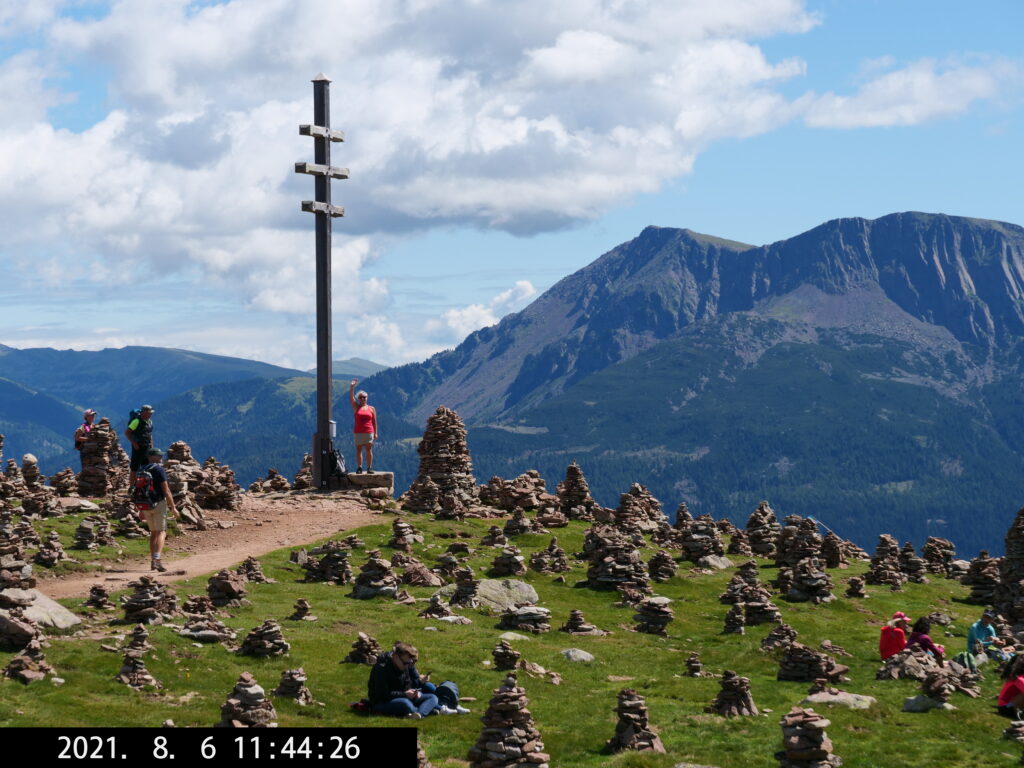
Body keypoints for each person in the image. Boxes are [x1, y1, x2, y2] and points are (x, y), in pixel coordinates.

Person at [367, 642, 469, 718]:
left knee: (432, 697)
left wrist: (414, 692)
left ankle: (419, 714)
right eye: (405, 663)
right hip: (382, 702)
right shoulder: (381, 669)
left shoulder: (404, 665)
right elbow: (382, 695)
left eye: (409, 663)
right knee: (405, 704)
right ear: (395, 657)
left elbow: (408, 684)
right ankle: (428, 710)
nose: (407, 666)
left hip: (403, 696)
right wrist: (405, 694)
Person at [136, 447, 178, 572]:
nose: (161, 457)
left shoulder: (142, 469)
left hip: (145, 505)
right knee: (161, 532)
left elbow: (139, 490)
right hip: (158, 504)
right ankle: (157, 561)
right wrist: (173, 507)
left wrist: (140, 509)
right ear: (151, 456)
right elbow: (166, 490)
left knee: (153, 533)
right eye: (158, 455)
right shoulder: (158, 469)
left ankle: (153, 561)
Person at [349, 380, 378, 474]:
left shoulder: (372, 408)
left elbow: (374, 421)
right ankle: (359, 467)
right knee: (359, 450)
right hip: (358, 432)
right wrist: (352, 387)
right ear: (358, 399)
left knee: (369, 450)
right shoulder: (356, 407)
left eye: (364, 397)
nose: (363, 399)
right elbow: (351, 398)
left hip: (369, 431)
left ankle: (369, 467)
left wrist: (376, 433)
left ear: (367, 398)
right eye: (361, 397)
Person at [125, 404, 156, 489]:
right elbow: (127, 432)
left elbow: (149, 434)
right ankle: (132, 488)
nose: (151, 414)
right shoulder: (136, 421)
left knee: (146, 466)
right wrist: (134, 443)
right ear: (144, 412)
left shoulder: (149, 422)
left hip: (147, 447)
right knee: (134, 468)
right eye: (149, 413)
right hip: (138, 448)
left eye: (151, 413)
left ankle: (143, 486)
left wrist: (151, 444)